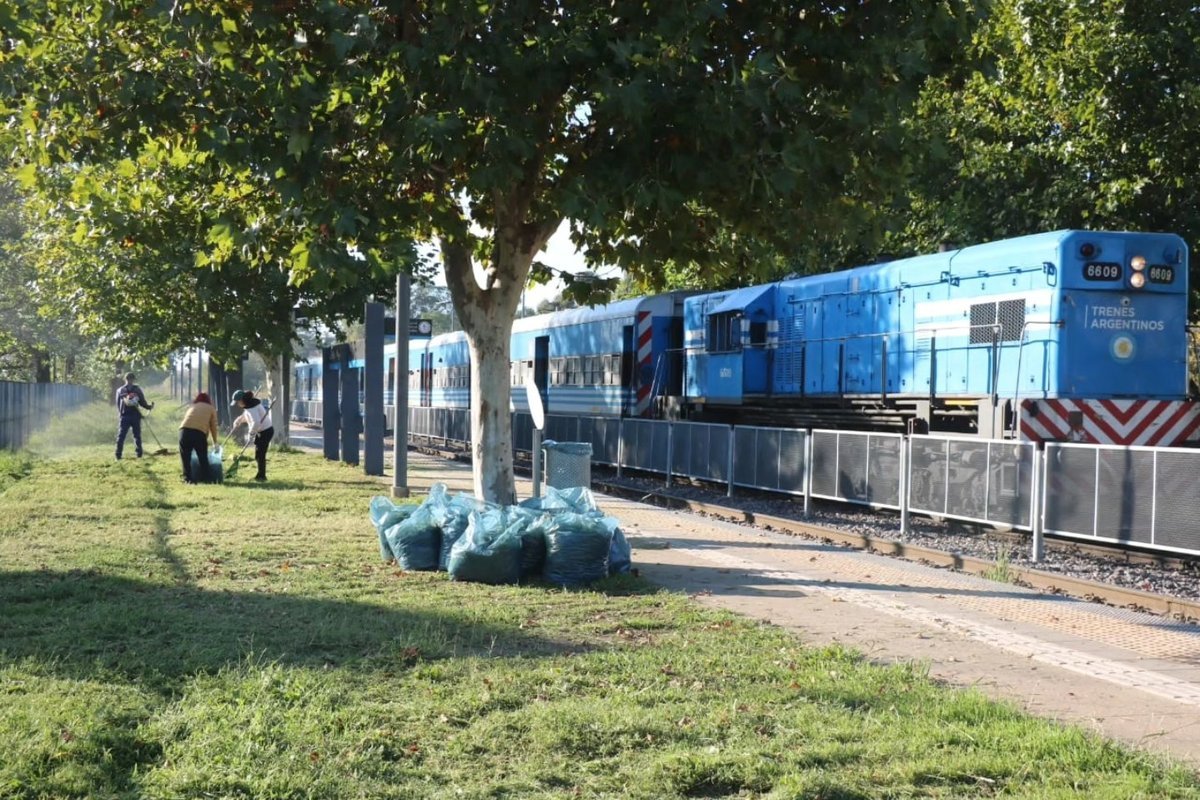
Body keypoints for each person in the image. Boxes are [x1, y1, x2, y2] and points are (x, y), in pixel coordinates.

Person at [231, 389, 274, 481]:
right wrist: (238, 420)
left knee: (260, 455)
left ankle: (261, 476)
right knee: (258, 455)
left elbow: (256, 422)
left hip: (265, 431)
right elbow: (246, 416)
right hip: (261, 431)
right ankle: (260, 475)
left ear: (242, 400)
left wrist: (251, 433)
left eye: (237, 402)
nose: (237, 404)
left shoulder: (252, 407)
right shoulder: (249, 406)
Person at [179, 391, 219, 484]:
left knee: (185, 457)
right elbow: (213, 426)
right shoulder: (211, 408)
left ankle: (188, 478)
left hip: (183, 431)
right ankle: (207, 478)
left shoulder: (192, 406)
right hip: (198, 433)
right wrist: (215, 442)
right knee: (202, 456)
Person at [114, 372, 154, 459]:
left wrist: (148, 407)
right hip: (125, 416)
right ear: (126, 379)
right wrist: (121, 413)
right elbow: (119, 403)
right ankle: (118, 454)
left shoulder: (137, 389)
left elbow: (142, 401)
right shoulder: (121, 390)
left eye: (131, 379)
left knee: (137, 435)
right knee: (121, 435)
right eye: (129, 379)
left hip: (136, 415)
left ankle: (139, 454)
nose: (130, 381)